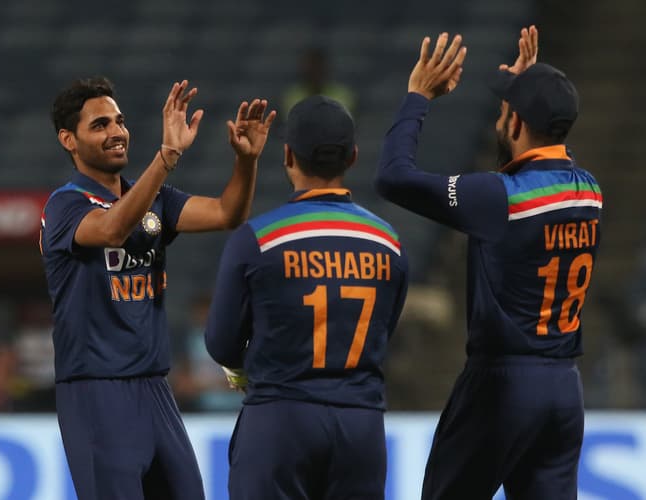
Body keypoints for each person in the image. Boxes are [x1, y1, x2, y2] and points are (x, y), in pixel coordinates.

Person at [374, 27, 602, 499]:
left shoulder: (498, 198)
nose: (500, 116)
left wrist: (418, 96)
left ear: (517, 123)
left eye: (505, 110)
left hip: (502, 385)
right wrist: (532, 89)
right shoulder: (589, 191)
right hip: (564, 389)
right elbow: (544, 164)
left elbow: (393, 177)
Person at [39, 76, 275, 500]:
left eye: (120, 121)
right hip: (96, 390)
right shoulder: (65, 205)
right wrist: (167, 156)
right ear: (68, 140)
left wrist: (246, 161)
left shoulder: (155, 199)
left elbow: (228, 214)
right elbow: (112, 230)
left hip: (154, 387)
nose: (116, 132)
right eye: (100, 125)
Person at [205, 95, 409, 500]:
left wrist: (245, 368)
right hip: (361, 427)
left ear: (287, 155)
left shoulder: (257, 239)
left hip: (280, 420)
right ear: (352, 156)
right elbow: (384, 329)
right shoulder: (389, 242)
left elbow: (221, 342)